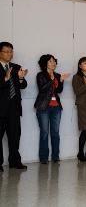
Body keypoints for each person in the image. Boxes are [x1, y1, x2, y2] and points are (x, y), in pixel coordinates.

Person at [34, 54, 70, 164]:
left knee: (55, 133)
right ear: (45, 64)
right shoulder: (40, 75)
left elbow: (59, 91)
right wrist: (52, 79)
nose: (53, 63)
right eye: (50, 61)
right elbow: (42, 89)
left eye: (54, 61)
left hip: (56, 107)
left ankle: (55, 156)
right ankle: (44, 158)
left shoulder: (58, 75)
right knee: (44, 133)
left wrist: (61, 81)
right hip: (44, 107)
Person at [0, 42, 28, 171]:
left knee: (15, 136)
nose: (9, 54)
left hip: (14, 108)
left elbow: (22, 86)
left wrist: (21, 78)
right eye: (6, 51)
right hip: (0, 108)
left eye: (11, 51)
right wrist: (5, 79)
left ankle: (15, 161)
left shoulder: (16, 67)